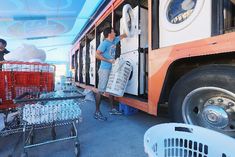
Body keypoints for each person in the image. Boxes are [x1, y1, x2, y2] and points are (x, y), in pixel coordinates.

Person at [95, 27, 127, 121]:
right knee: (101, 90)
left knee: (111, 89)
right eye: (113, 31)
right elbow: (97, 55)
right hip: (104, 69)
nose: (115, 32)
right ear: (109, 34)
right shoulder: (104, 43)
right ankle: (97, 111)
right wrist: (108, 60)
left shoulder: (114, 41)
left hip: (112, 69)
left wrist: (132, 27)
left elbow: (123, 35)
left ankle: (112, 109)